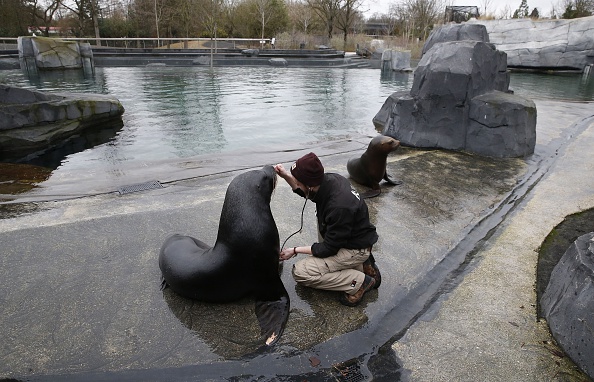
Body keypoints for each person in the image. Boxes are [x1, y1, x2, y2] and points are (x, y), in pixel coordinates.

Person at [274, 152, 381, 306]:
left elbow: (327, 249)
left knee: (301, 272)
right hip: (351, 236)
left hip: (354, 248)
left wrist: (295, 250)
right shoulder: (330, 180)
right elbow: (306, 191)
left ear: (310, 185)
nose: (296, 184)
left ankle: (359, 282)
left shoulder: (339, 206)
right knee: (323, 224)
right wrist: (285, 175)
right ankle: (362, 265)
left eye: (298, 181)